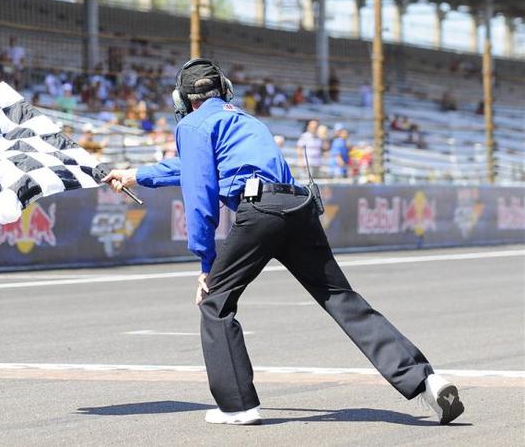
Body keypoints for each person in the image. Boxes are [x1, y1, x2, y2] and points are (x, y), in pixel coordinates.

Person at [103, 58, 464, 426]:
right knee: (341, 298)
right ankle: (425, 379)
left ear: (182, 100)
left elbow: (200, 194)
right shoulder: (245, 120)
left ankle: (238, 404)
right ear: (224, 90)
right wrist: (137, 175)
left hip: (259, 211)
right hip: (297, 204)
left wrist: (206, 264)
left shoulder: (194, 125)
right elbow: (193, 166)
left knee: (215, 302)